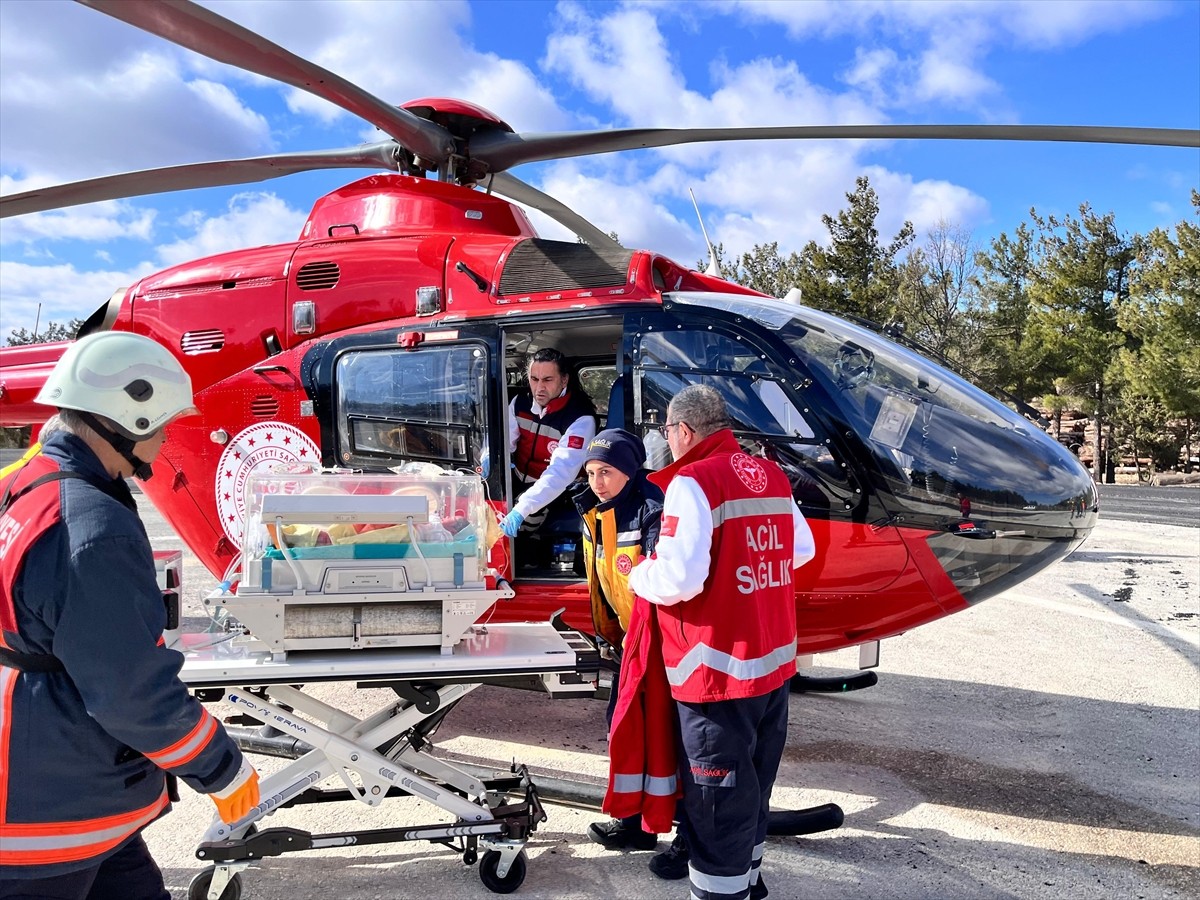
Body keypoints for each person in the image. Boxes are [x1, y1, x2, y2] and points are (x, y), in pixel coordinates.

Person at [0, 332, 260, 900]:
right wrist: (220, 767)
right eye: (162, 422)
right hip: (53, 812)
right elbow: (132, 693)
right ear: (131, 418)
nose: (166, 436)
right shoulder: (92, 527)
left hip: (52, 773)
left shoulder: (22, 484)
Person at [627, 384, 816, 900]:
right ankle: (750, 881)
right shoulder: (770, 474)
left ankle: (718, 893)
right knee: (754, 786)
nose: (667, 439)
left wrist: (638, 575)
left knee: (717, 801)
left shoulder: (693, 481)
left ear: (684, 431)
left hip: (716, 673)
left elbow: (680, 579)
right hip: (771, 667)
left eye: (667, 430)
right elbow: (800, 548)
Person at [573, 429, 665, 852]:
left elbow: (659, 580)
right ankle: (633, 823)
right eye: (591, 472)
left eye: (606, 472)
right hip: (630, 641)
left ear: (629, 470)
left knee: (660, 739)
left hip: (660, 644)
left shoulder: (651, 509)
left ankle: (667, 827)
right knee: (623, 730)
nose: (597, 482)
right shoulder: (596, 511)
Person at [499, 348, 597, 546]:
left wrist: (522, 507)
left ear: (564, 380)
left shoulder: (580, 418)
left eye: (547, 380)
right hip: (519, 478)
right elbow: (504, 444)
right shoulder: (519, 403)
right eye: (534, 379)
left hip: (560, 490)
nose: (539, 388)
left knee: (525, 524)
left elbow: (560, 472)